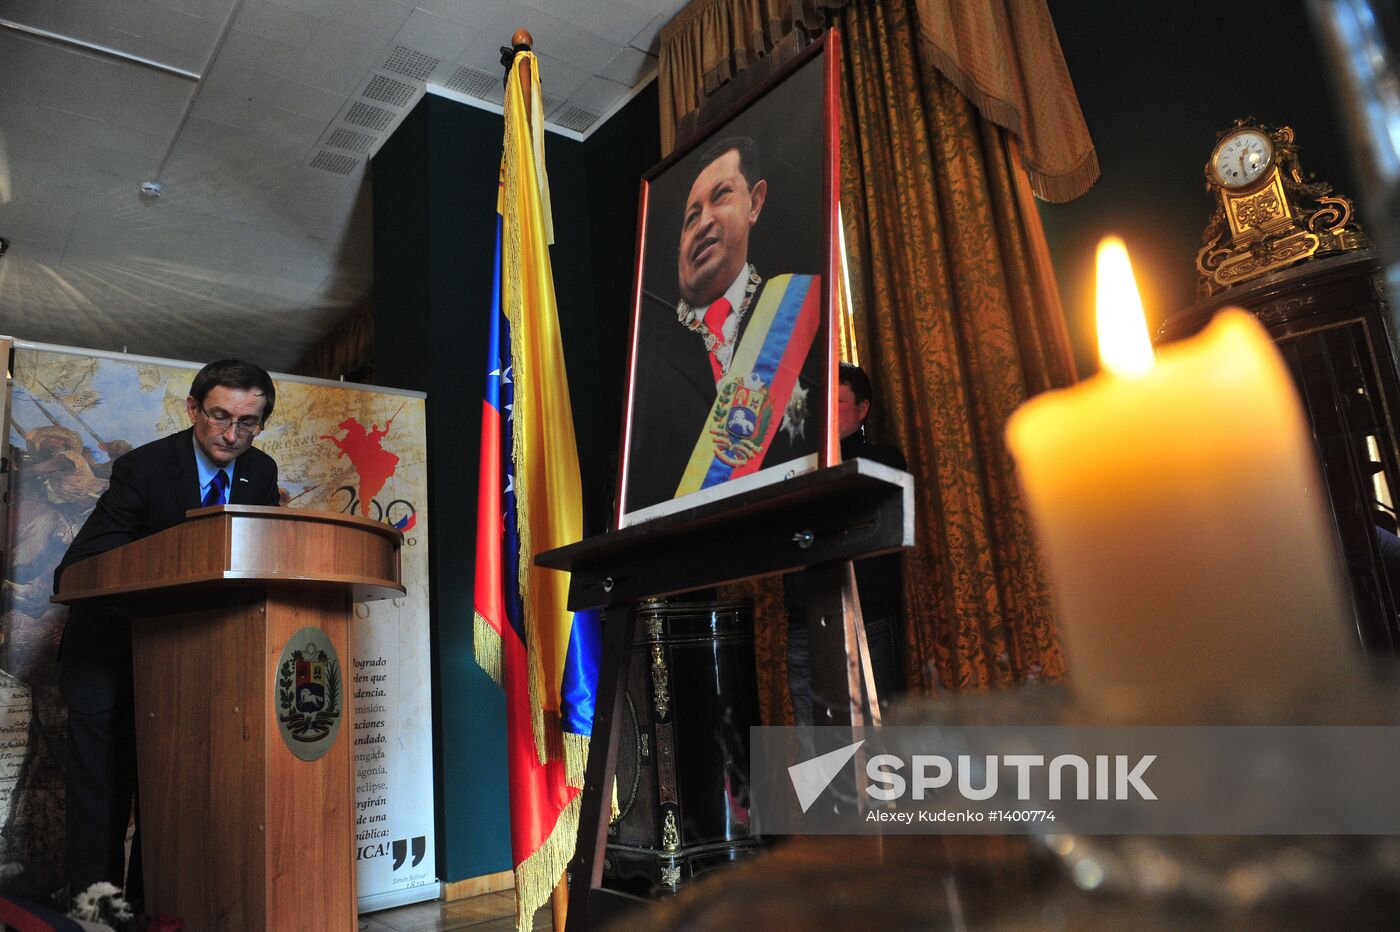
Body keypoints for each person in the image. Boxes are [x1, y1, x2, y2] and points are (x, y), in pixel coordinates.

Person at [53, 359, 281, 904]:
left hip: (190, 666)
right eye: (220, 416)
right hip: (108, 655)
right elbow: (80, 567)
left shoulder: (261, 473)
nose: (232, 434)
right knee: (102, 797)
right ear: (192, 409)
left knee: (169, 795)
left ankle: (156, 911)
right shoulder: (145, 469)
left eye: (248, 422)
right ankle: (97, 916)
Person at [625, 136, 823, 517]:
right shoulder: (647, 355)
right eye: (690, 218)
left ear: (756, 202)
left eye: (721, 196)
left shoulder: (798, 308)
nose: (703, 224)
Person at [787, 362, 907, 725]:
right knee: (815, 751)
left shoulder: (883, 460)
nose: (826, 410)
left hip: (865, 619)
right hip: (804, 623)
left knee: (876, 738)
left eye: (837, 401)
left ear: (862, 409)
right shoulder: (794, 466)